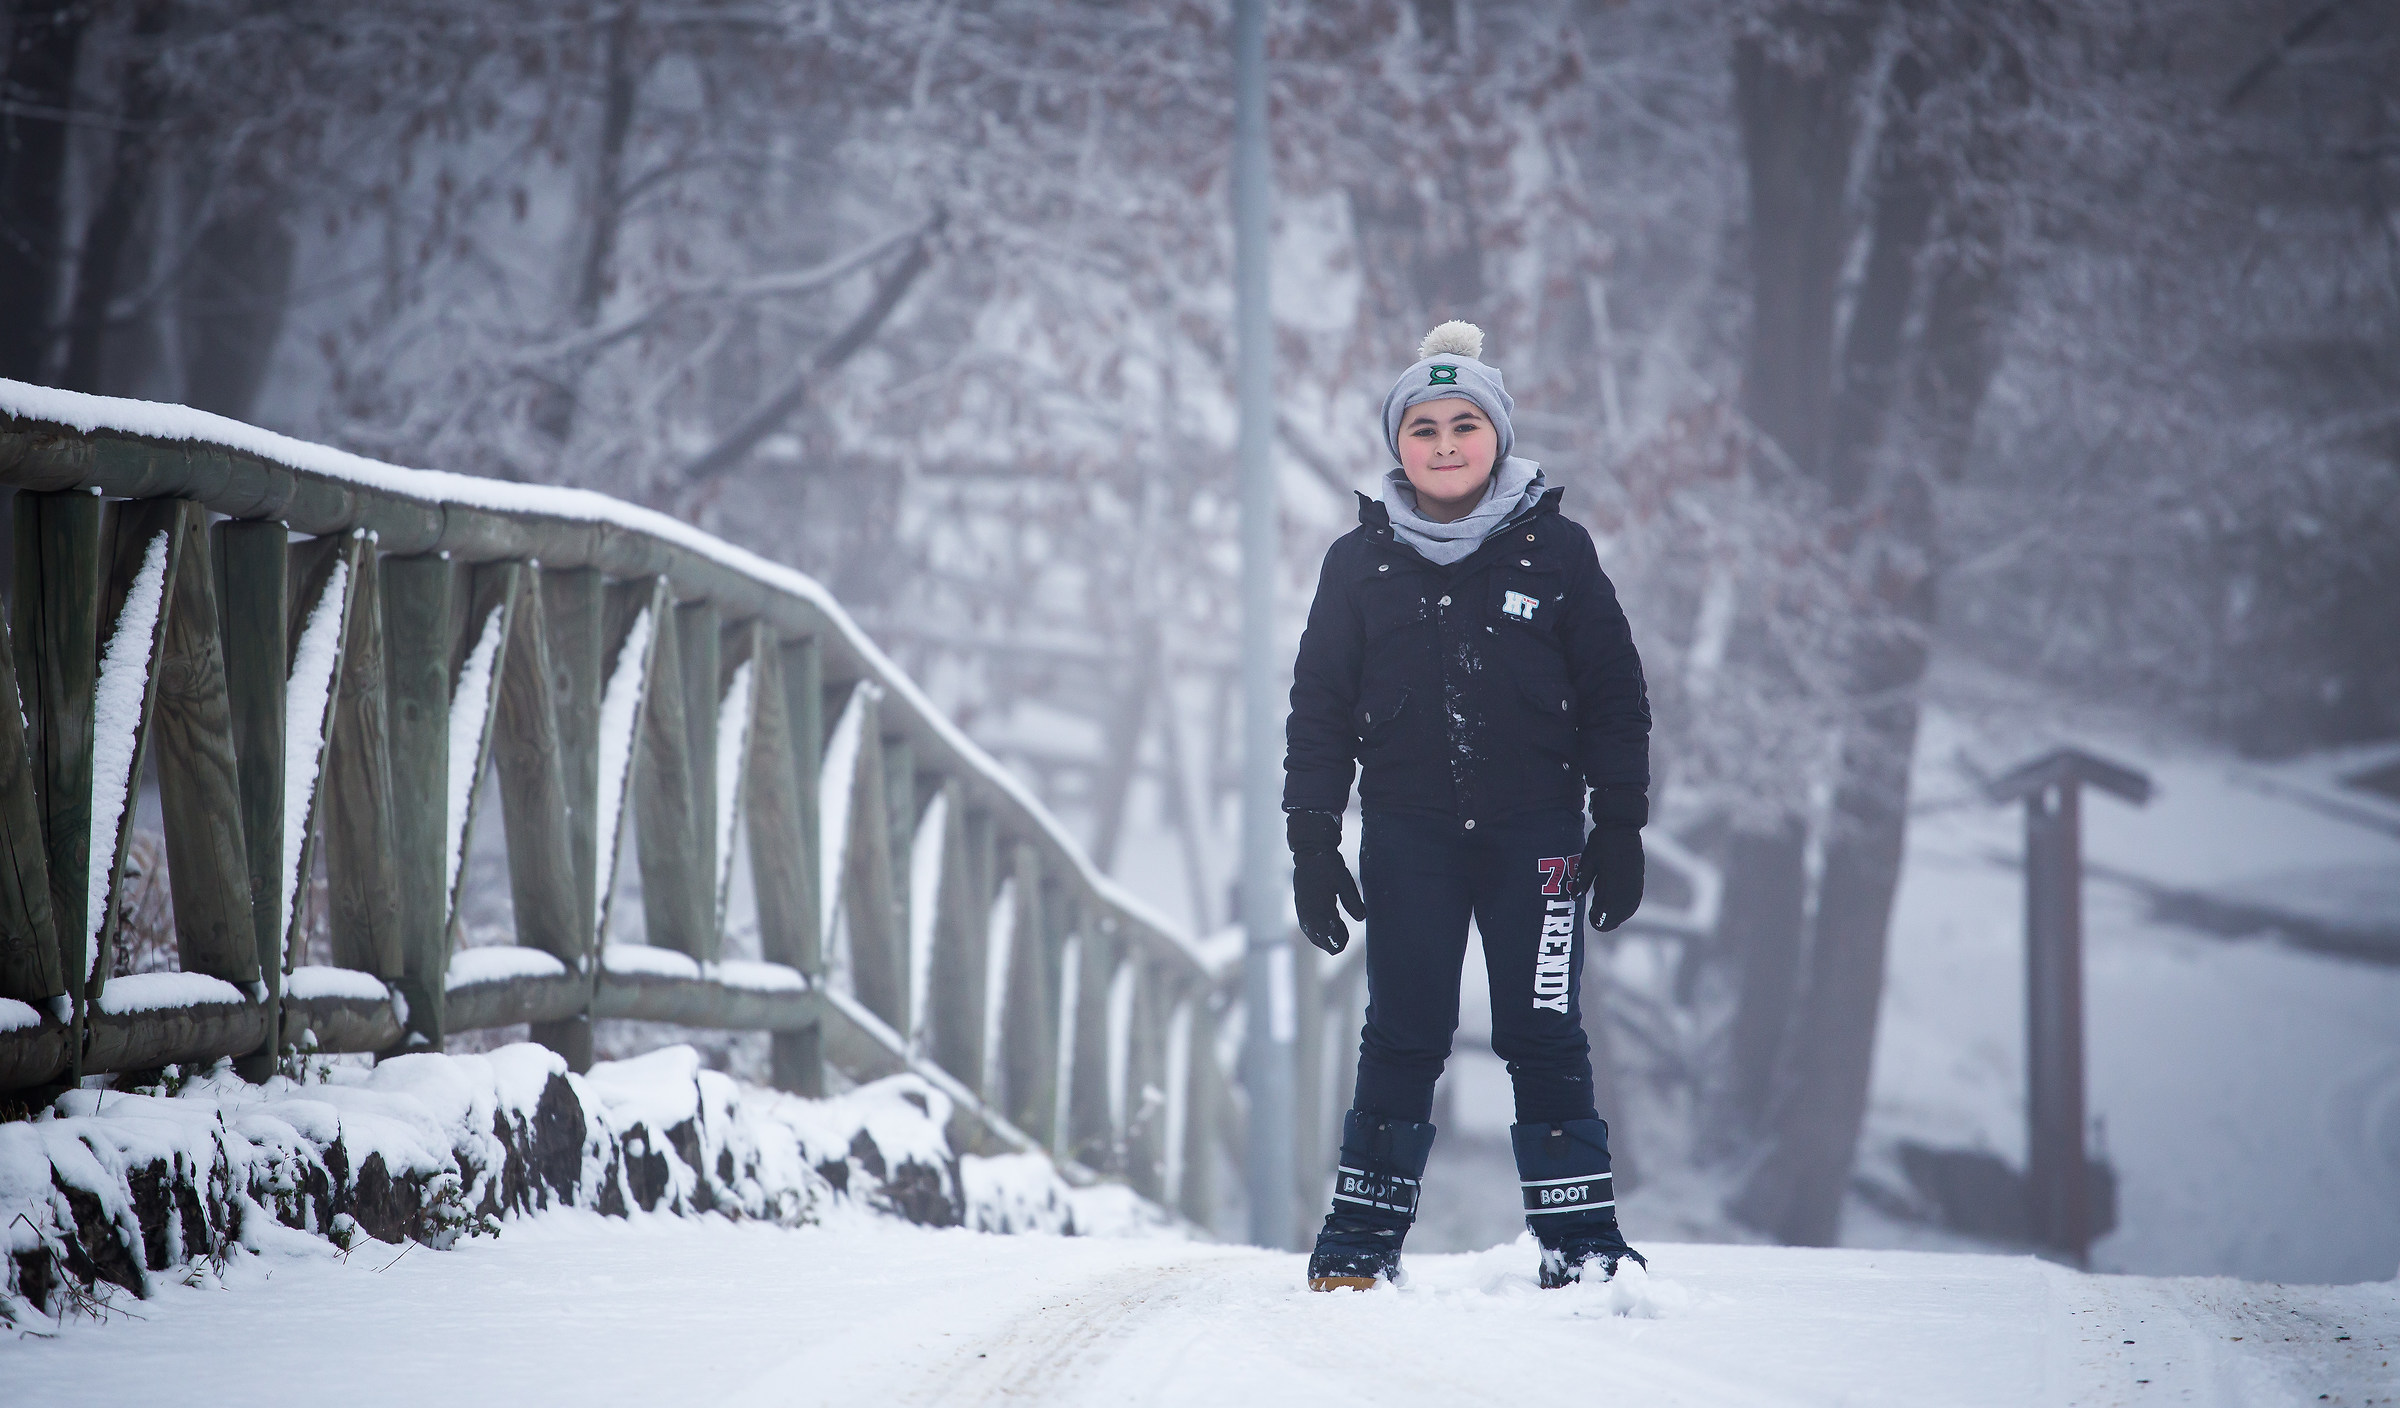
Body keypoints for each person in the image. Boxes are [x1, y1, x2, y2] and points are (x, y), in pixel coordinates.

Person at [1283, 321, 1651, 1292]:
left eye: (1465, 425)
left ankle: (1581, 1247)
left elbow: (1615, 691)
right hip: (1410, 841)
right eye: (1424, 428)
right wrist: (1312, 836)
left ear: (1498, 435)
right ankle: (1360, 1244)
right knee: (1403, 1033)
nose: (1445, 444)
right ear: (1396, 443)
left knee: (1544, 1030)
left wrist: (1618, 822)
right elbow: (1317, 706)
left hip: (1539, 843)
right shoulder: (1356, 566)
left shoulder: (1558, 554)